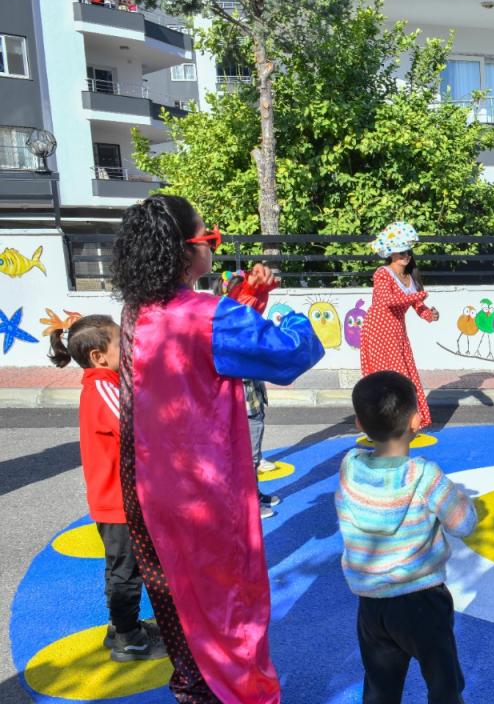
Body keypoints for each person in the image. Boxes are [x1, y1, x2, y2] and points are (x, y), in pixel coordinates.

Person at [110, 194, 324, 702]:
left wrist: (248, 296)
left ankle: (194, 684)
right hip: (206, 489)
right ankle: (244, 694)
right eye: (210, 238)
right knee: (233, 603)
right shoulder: (210, 314)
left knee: (180, 597)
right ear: (185, 252)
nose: (214, 246)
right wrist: (292, 317)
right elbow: (287, 355)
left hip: (149, 485)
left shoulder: (138, 310)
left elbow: (212, 341)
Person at [337, 371, 476, 704]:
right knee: (443, 685)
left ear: (359, 423)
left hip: (372, 602)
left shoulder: (350, 468)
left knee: (380, 688)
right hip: (422, 600)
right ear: (416, 420)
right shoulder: (425, 476)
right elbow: (463, 524)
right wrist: (460, 499)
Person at [48, 314, 168, 663]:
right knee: (126, 571)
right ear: (98, 356)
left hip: (117, 499)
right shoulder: (103, 388)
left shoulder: (106, 383)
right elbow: (136, 430)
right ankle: (128, 639)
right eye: (121, 342)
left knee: (121, 566)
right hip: (118, 501)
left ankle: (121, 626)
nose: (129, 347)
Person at [217, 266, 285, 519]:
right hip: (243, 403)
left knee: (252, 452)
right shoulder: (232, 330)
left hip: (253, 400)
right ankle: (248, 503)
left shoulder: (238, 325)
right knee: (248, 455)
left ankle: (253, 492)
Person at [361, 221, 439, 429]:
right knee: (388, 378)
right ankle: (385, 423)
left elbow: (418, 306)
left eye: (408, 252)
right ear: (391, 253)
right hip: (378, 330)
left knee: (403, 375)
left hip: (397, 331)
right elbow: (386, 300)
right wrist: (417, 296)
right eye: (401, 252)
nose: (406, 255)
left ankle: (403, 420)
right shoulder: (382, 273)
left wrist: (430, 315)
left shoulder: (410, 278)